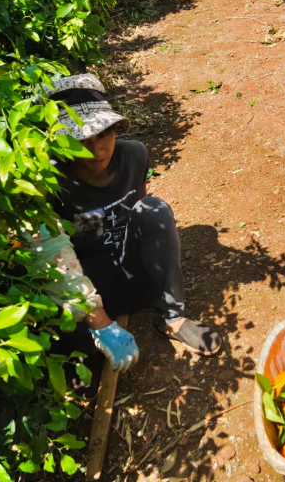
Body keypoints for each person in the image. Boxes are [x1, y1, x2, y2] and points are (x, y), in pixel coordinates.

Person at [26, 74, 221, 377]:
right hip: (84, 287)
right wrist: (100, 322)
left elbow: (138, 215)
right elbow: (52, 254)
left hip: (132, 275)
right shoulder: (47, 180)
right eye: (80, 140)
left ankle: (172, 317)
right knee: (74, 365)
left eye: (103, 134)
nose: (97, 151)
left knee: (154, 209)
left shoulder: (134, 155)